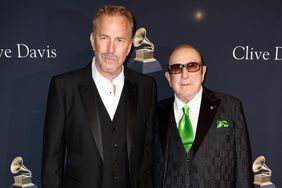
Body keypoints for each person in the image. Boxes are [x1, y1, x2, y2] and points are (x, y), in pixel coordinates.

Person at [42, 5, 156, 188]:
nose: (111, 49)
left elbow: (148, 154)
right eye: (104, 38)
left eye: (120, 40)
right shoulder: (64, 87)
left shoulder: (146, 87)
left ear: (129, 46)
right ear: (92, 40)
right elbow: (51, 163)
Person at [153, 44, 253, 188]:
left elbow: (243, 171)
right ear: (169, 78)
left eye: (192, 66)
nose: (184, 75)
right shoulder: (155, 113)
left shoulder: (230, 108)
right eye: (176, 68)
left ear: (203, 72)